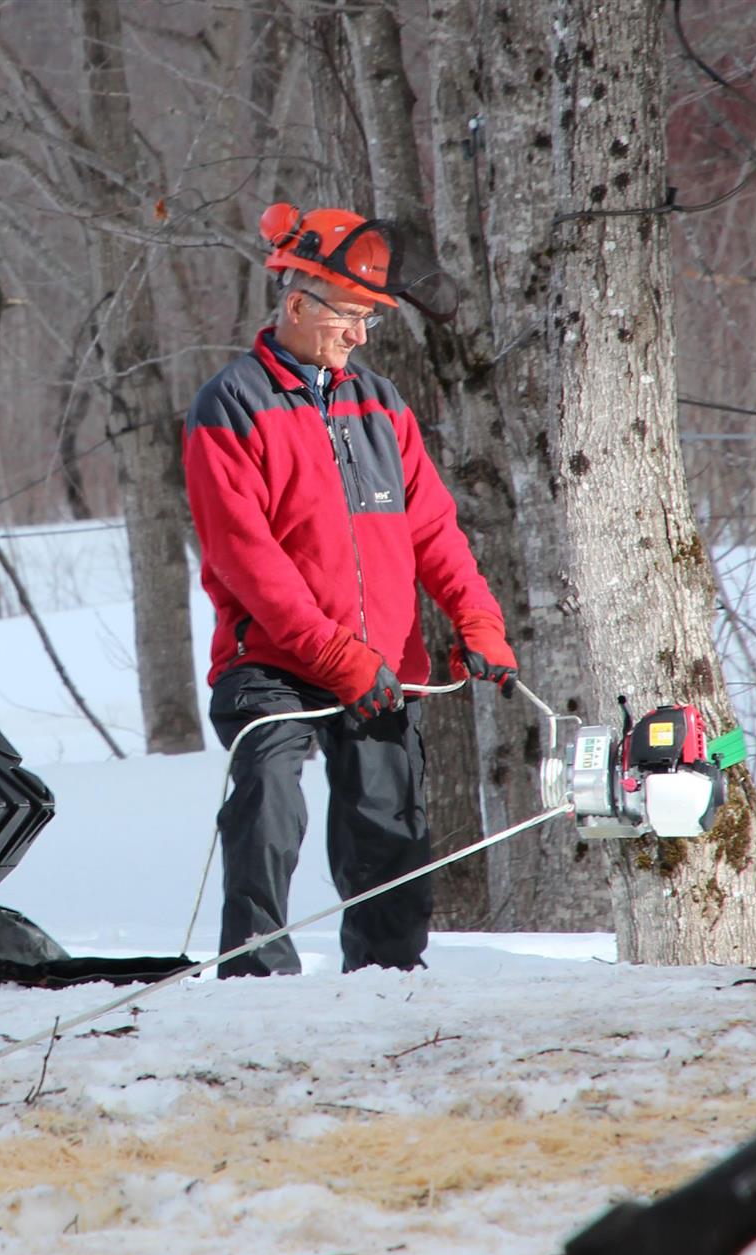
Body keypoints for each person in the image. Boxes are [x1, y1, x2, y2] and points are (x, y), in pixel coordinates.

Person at [182, 202, 519, 976]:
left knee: (388, 829)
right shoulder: (228, 405)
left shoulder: (381, 403)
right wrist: (337, 658)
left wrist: (477, 620)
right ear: (299, 306)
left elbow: (432, 531)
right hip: (271, 659)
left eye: (374, 320)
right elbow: (247, 562)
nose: (362, 336)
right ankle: (257, 979)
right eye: (352, 317)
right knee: (268, 798)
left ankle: (389, 987)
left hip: (380, 659)